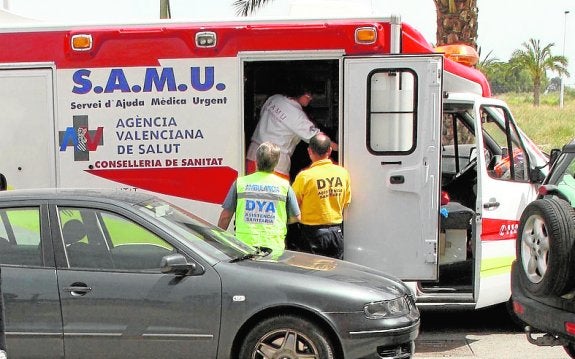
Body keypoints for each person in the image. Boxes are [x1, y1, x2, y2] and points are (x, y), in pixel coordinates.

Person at [218, 142, 301, 256]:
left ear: (256, 160)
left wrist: (217, 240)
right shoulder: (284, 185)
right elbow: (296, 217)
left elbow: (225, 217)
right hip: (274, 248)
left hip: (244, 246)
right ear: (276, 163)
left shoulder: (240, 183)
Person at [292, 133, 351, 259]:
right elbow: (346, 202)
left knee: (311, 273)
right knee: (335, 273)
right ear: (330, 150)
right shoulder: (343, 173)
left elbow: (292, 205)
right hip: (336, 233)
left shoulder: (305, 177)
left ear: (309, 151)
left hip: (312, 234)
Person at [246, 87, 326, 179]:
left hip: (253, 156)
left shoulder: (274, 99)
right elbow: (319, 140)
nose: (311, 98)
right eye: (309, 94)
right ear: (299, 92)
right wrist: (340, 147)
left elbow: (261, 115)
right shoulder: (298, 116)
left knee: (251, 191)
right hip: (276, 164)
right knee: (276, 192)